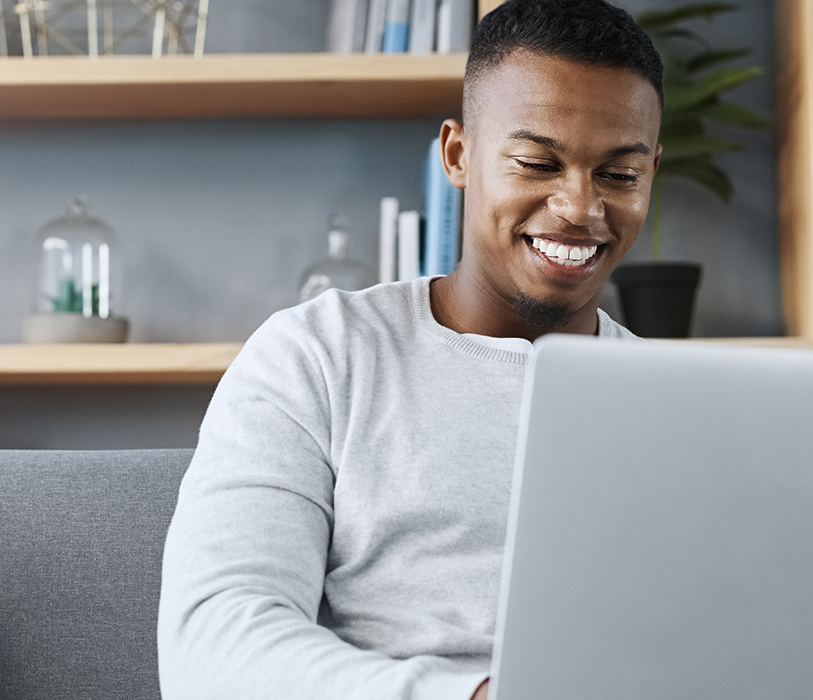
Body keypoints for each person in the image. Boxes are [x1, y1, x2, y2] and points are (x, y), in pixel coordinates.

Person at [157, 1, 663, 697]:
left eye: (620, 175)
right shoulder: (317, 356)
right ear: (458, 156)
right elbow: (212, 646)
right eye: (537, 162)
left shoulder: (672, 403)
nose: (581, 206)